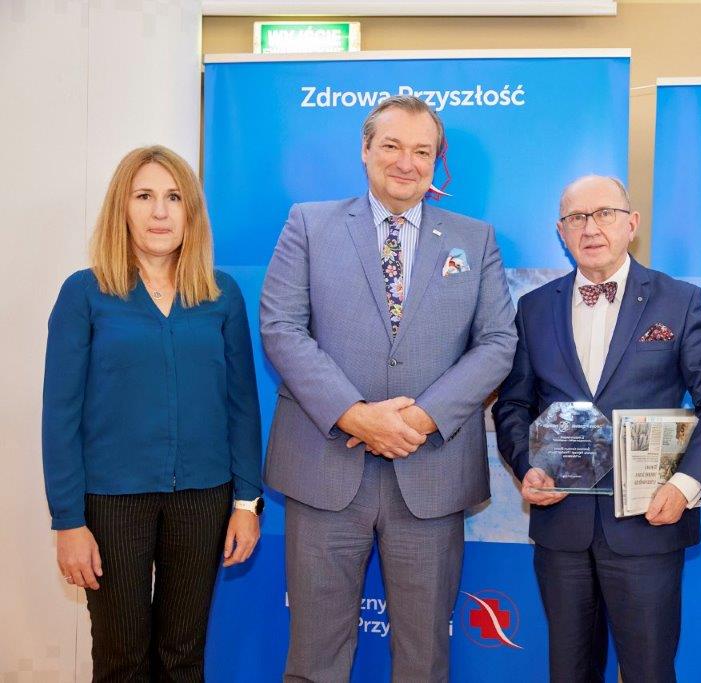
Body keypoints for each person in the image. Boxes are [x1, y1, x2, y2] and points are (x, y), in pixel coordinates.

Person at [260, 95, 517, 681]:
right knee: (314, 657)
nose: (407, 162)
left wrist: (420, 419)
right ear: (366, 151)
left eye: (422, 151)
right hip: (325, 469)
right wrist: (355, 414)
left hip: (430, 473)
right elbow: (280, 326)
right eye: (393, 146)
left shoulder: (474, 240)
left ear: (436, 161)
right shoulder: (310, 223)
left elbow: (499, 342)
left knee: (424, 659)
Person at [492, 175, 701, 682]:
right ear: (560, 232)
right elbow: (513, 404)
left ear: (632, 224)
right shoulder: (534, 307)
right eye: (576, 218)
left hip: (647, 523)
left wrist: (685, 485)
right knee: (569, 671)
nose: (591, 228)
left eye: (604, 213)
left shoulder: (679, 300)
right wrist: (525, 467)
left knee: (649, 671)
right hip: (563, 528)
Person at [42, 145, 263, 681]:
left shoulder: (221, 295)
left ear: (191, 213)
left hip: (204, 499)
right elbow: (60, 415)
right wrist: (68, 521)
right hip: (112, 504)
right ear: (123, 207)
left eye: (173, 198)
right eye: (144, 196)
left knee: (182, 657)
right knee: (121, 660)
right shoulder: (84, 293)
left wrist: (246, 503)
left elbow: (242, 405)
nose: (160, 212)